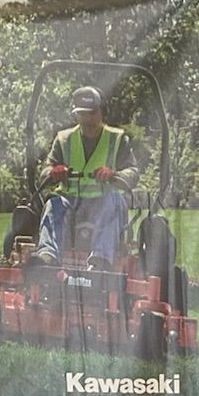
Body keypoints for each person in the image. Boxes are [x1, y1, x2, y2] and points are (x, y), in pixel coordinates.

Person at [33, 85, 138, 266]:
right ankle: (48, 257)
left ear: (101, 112)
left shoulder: (118, 140)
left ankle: (100, 259)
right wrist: (53, 172)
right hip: (71, 204)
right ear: (76, 115)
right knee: (53, 204)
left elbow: (132, 172)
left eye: (92, 113)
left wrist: (114, 175)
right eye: (83, 114)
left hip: (104, 203)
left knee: (113, 199)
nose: (88, 119)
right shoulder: (64, 140)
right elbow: (44, 173)